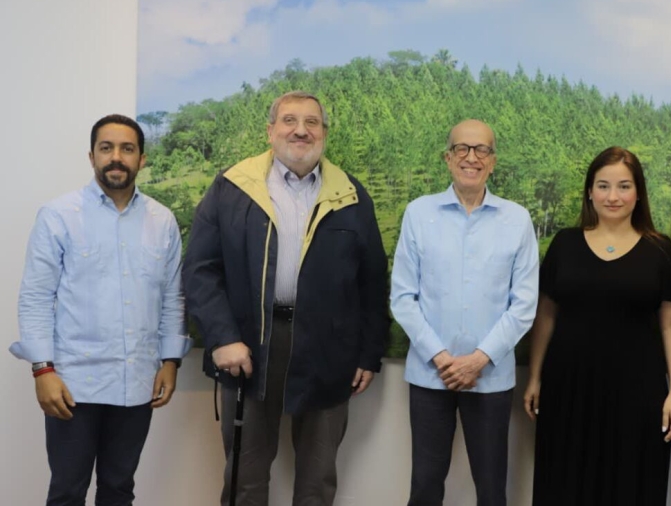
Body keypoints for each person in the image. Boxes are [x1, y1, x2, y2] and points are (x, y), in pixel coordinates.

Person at [182, 90, 389, 506]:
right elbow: (200, 270)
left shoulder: (351, 194)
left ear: (324, 132)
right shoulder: (232, 187)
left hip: (329, 349)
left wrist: (369, 354)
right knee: (245, 476)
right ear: (270, 130)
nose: (301, 130)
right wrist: (222, 337)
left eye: (312, 122)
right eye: (290, 120)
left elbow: (372, 281)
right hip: (248, 347)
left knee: (318, 477)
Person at [10, 114, 191, 505]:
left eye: (127, 149)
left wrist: (170, 360)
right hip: (73, 384)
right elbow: (36, 296)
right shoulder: (59, 215)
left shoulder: (162, 221)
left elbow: (172, 297)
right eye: (106, 148)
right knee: (67, 492)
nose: (116, 157)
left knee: (119, 489)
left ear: (142, 158)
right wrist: (42, 369)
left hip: (137, 381)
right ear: (92, 156)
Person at [523, 146, 671, 505]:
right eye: (603, 186)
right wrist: (534, 377)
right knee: (565, 484)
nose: (613, 196)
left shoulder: (660, 249)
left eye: (624, 186)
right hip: (568, 389)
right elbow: (546, 314)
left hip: (638, 393)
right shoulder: (564, 244)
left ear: (639, 192)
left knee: (630, 484)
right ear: (589, 191)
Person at [390, 119, 539, 506]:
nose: (471, 157)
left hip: (490, 377)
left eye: (481, 150)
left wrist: (478, 360)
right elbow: (403, 297)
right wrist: (441, 358)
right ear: (448, 157)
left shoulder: (517, 219)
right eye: (462, 148)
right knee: (425, 485)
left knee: (491, 488)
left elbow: (524, 305)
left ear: (493, 161)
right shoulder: (419, 213)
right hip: (430, 375)